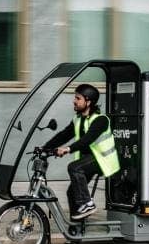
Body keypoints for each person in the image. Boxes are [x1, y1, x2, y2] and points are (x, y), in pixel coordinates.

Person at [41, 83, 121, 220]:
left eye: (78, 98)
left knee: (74, 167)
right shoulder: (78, 119)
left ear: (88, 102)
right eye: (75, 98)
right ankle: (76, 232)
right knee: (72, 192)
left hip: (103, 160)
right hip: (89, 160)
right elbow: (64, 135)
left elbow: (87, 139)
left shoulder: (101, 120)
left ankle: (87, 204)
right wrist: (45, 148)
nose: (74, 101)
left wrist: (67, 149)